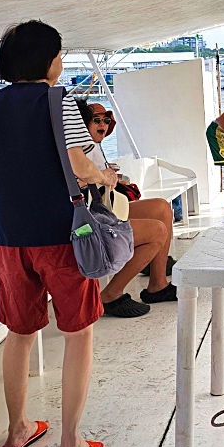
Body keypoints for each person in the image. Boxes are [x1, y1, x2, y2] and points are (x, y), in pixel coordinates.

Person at [0, 20, 113, 447]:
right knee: (78, 332)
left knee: (20, 331)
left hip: (9, 241)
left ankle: (17, 431)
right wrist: (103, 177)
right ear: (49, 61)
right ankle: (71, 445)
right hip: (62, 237)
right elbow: (77, 161)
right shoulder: (59, 100)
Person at [75, 99, 176, 315]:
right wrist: (102, 176)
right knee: (157, 231)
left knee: (162, 208)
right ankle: (111, 294)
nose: (103, 123)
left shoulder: (92, 145)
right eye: (96, 120)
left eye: (106, 120)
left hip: (102, 208)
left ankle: (158, 285)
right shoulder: (76, 149)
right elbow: (78, 181)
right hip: (87, 219)